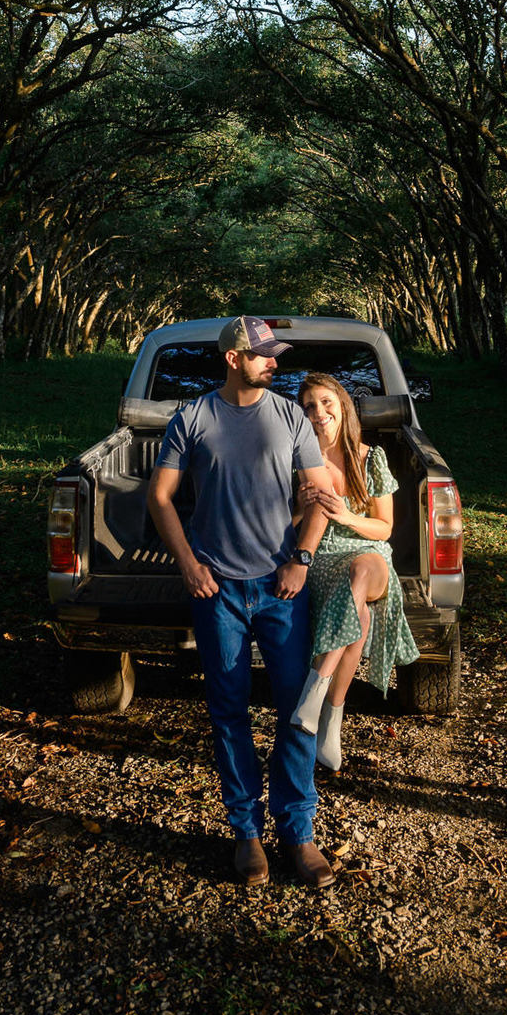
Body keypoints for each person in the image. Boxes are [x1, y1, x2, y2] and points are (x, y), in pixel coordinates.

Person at [146, 316, 337, 889]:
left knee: (296, 713)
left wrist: (300, 560)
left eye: (275, 355)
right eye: (263, 355)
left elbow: (323, 495)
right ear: (233, 359)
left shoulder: (288, 417)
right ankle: (247, 834)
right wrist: (188, 562)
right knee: (228, 713)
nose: (274, 363)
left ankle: (298, 834)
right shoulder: (194, 417)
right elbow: (160, 497)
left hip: (280, 590)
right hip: (218, 590)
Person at [289, 371, 420, 772]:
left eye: (326, 402)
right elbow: (288, 527)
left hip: (370, 553)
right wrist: (298, 505)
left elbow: (384, 527)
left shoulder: (371, 457)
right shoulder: (298, 461)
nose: (319, 412)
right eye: (309, 406)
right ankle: (331, 722)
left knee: (361, 570)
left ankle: (314, 689)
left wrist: (347, 514)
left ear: (342, 406)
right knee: (359, 615)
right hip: (323, 557)